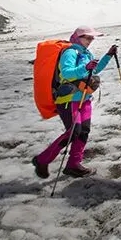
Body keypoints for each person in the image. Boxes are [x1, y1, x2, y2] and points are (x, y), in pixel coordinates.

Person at [32, 26, 116, 178]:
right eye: (88, 38)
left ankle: (74, 164)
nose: (90, 41)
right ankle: (42, 160)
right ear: (78, 37)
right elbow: (67, 73)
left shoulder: (86, 53)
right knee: (73, 132)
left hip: (84, 98)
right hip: (69, 99)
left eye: (92, 38)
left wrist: (108, 56)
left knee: (83, 131)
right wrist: (85, 67)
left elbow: (93, 71)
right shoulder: (70, 52)